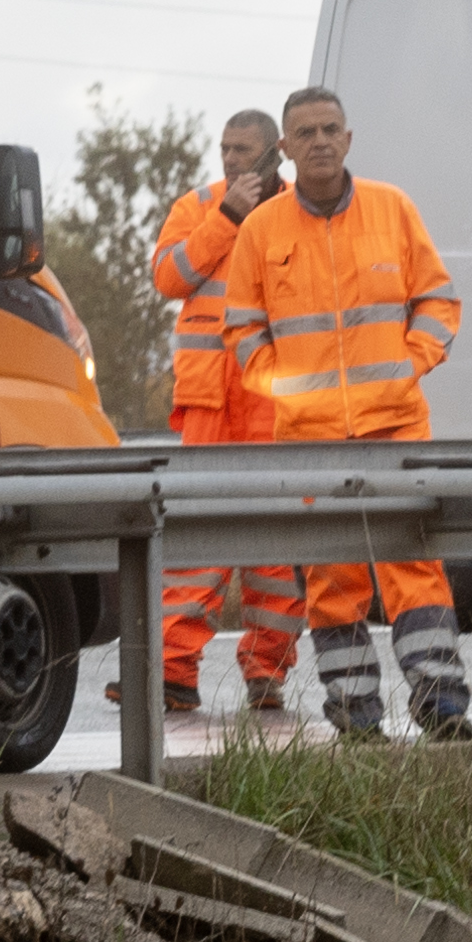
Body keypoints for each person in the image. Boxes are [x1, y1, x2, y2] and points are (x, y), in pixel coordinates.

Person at [194, 85, 472, 739]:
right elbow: (241, 329)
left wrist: (412, 362)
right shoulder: (261, 229)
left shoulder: (392, 210)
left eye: (331, 129)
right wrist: (282, 390)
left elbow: (438, 299)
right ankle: (355, 717)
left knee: (415, 568)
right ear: (285, 151)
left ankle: (442, 705)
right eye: (306, 133)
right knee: (332, 579)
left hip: (396, 425)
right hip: (309, 438)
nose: (320, 141)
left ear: (349, 139)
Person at [139, 107, 305, 723]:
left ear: (273, 155)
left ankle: (268, 674)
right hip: (210, 401)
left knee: (278, 546)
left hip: (274, 401)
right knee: (194, 544)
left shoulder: (298, 213)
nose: (232, 160)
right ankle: (172, 673)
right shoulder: (198, 206)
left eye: (244, 150)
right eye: (225, 149)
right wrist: (227, 215)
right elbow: (169, 277)